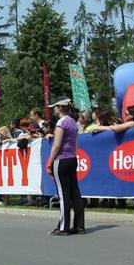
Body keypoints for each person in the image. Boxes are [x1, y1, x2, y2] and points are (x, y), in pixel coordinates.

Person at [45, 96, 85, 236]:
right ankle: (79, 226)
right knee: (75, 192)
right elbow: (74, 143)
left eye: (55, 107)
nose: (54, 110)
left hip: (61, 160)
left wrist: (50, 162)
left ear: (60, 107)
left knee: (63, 194)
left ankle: (63, 227)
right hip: (72, 158)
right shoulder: (73, 122)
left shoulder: (61, 122)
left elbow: (56, 145)